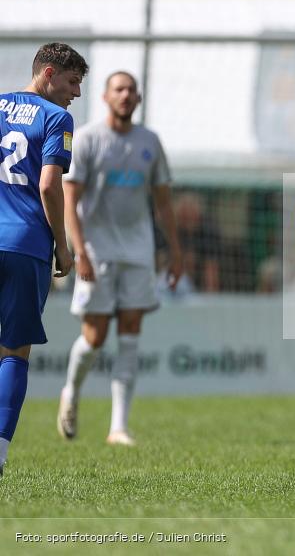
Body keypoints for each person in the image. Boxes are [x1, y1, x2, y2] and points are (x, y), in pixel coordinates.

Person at [56, 71, 182, 447]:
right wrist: (79, 251)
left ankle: (119, 427)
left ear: (138, 99)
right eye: (119, 89)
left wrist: (175, 252)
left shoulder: (150, 141)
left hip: (138, 251)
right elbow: (70, 200)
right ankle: (71, 392)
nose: (125, 95)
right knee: (95, 337)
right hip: (97, 251)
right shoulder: (88, 138)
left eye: (131, 90)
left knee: (130, 334)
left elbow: (163, 202)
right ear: (106, 97)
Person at [0, 43, 86, 475]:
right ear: (48, 73)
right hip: (25, 244)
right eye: (72, 82)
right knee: (14, 351)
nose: (76, 93)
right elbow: (50, 185)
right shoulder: (56, 118)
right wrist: (63, 245)